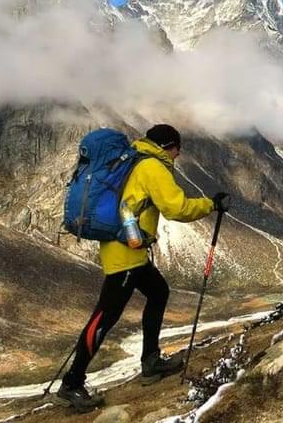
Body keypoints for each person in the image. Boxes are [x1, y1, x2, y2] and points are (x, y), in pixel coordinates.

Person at [58, 124, 230, 410]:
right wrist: (211, 205)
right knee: (105, 316)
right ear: (168, 147)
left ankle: (151, 361)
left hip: (126, 249)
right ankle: (72, 383)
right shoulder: (152, 167)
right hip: (125, 255)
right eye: (177, 150)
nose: (178, 156)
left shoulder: (133, 156)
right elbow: (176, 209)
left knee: (159, 292)